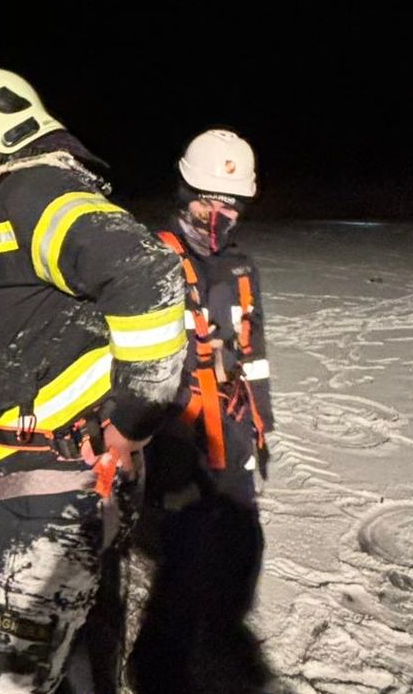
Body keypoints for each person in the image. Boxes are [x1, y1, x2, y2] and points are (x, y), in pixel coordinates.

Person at [0, 67, 186, 693]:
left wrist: (131, 420)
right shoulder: (17, 202)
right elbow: (26, 303)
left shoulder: (31, 189)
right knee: (79, 660)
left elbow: (148, 275)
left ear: (6, 120)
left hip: (50, 495)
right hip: (59, 487)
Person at [128, 128, 274, 693]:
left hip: (232, 431)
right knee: (181, 562)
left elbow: (253, 354)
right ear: (184, 190)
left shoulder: (240, 269)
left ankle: (218, 635)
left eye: (231, 203)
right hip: (175, 436)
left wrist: (261, 424)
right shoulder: (151, 259)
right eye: (208, 200)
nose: (219, 213)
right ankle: (158, 672)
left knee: (239, 544)